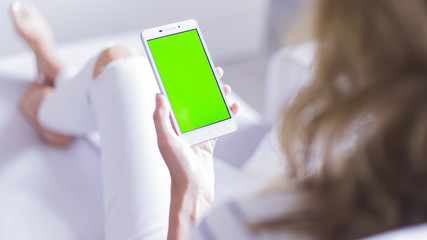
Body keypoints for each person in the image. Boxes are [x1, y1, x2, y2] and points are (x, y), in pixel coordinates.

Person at [10, 0, 427, 239]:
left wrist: (190, 201)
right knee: (139, 74)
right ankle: (62, 81)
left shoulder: (265, 225)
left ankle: (52, 107)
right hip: (275, 170)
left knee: (120, 65)